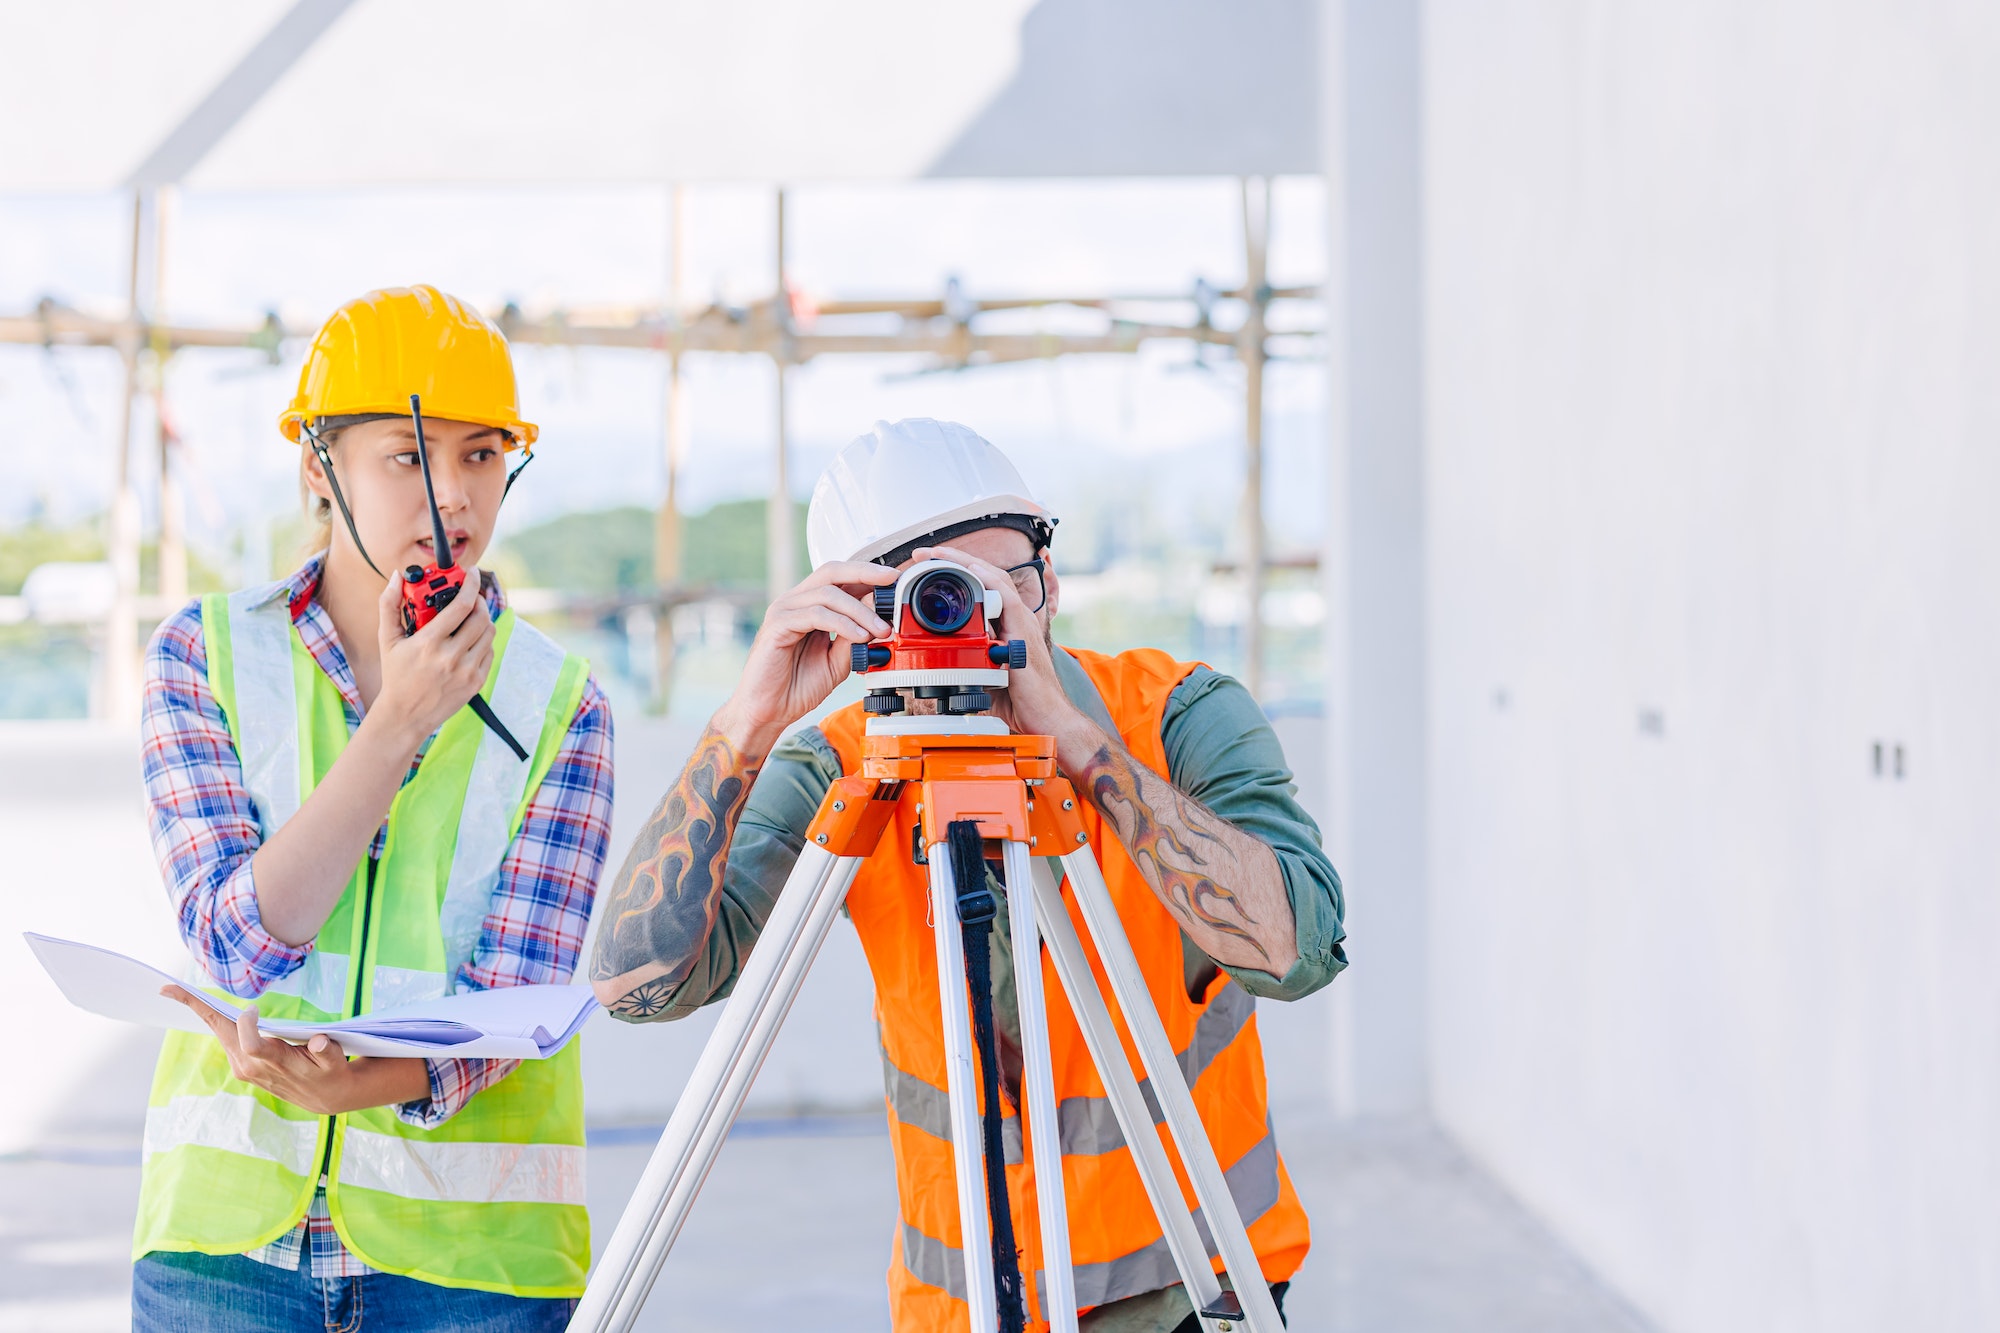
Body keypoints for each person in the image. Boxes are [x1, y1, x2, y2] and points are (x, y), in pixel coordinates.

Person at [591, 418, 1346, 1332]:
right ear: (853, 611)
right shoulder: (840, 771)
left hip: (1198, 1287)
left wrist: (1073, 744)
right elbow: (639, 987)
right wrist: (744, 723)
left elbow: (1297, 952)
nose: (975, 618)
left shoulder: (1176, 715)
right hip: (962, 1307)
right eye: (931, 594)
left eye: (1002, 585)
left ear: (1050, 581)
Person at [131, 285, 613, 1331]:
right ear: (319, 468)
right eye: (408, 455)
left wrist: (379, 1079)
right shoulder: (201, 655)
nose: (452, 498)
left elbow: (520, 995)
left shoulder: (563, 705)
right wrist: (396, 725)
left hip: (473, 1265)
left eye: (482, 453)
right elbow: (239, 943)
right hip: (226, 1250)